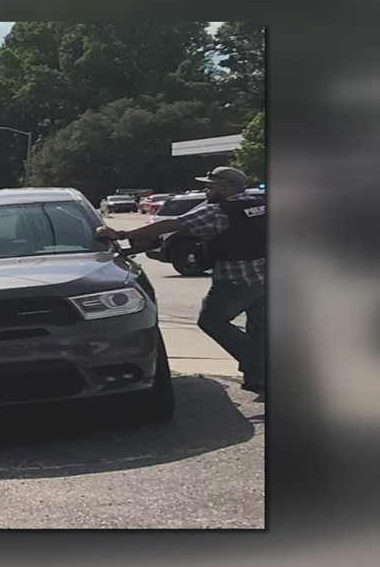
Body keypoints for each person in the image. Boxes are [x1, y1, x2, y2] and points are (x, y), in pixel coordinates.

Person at [96, 166, 266, 401]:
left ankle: (259, 365)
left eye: (212, 185)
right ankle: (258, 377)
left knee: (211, 322)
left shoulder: (219, 212)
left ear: (227, 187)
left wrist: (123, 234)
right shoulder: (259, 205)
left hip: (235, 280)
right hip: (266, 277)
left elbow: (172, 224)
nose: (207, 189)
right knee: (259, 329)